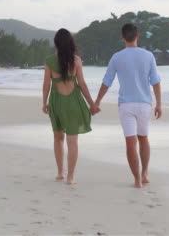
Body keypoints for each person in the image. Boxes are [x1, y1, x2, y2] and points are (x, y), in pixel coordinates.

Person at [95, 23, 162, 188]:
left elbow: (107, 82)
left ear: (123, 37)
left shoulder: (117, 57)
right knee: (144, 139)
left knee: (130, 142)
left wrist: (97, 101)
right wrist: (159, 104)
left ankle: (137, 180)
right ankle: (145, 173)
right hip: (144, 104)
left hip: (126, 105)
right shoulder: (148, 56)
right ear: (137, 35)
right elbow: (156, 82)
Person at [42, 28, 99, 185]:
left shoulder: (49, 61)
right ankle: (70, 177)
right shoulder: (77, 61)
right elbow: (82, 84)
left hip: (56, 103)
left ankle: (60, 172)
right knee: (72, 141)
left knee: (58, 138)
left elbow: (46, 85)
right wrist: (92, 103)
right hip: (74, 102)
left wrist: (44, 102)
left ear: (56, 44)